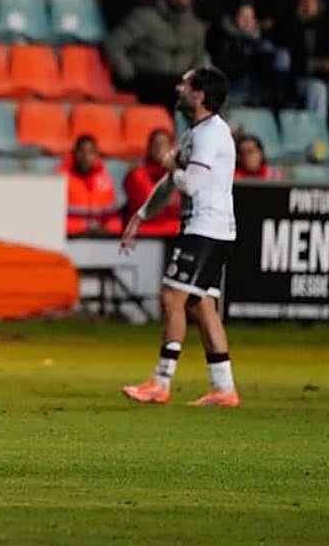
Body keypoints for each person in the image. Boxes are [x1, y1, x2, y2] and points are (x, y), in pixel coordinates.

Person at [120, 66, 240, 408]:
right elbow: (172, 182)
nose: (178, 88)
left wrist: (172, 166)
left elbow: (190, 183)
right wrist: (141, 216)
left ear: (200, 95)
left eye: (185, 85)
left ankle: (160, 381)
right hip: (211, 229)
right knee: (203, 306)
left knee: (173, 296)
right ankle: (224, 388)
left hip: (206, 227)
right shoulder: (196, 132)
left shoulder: (209, 134)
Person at [104, 0, 206, 107]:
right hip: (146, 80)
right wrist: (127, 73)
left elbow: (198, 58)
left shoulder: (196, 26)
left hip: (179, 83)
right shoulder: (144, 18)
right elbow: (114, 44)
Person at [60, 135, 123, 237]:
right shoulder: (61, 178)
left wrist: (108, 229)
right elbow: (54, 219)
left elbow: (113, 216)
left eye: (90, 152)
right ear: (74, 153)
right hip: (70, 238)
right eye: (81, 151)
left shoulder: (105, 179)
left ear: (96, 155)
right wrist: (84, 228)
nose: (85, 156)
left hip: (101, 238)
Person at [122, 128, 181, 237]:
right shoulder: (136, 174)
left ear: (171, 148)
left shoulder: (180, 174)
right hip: (146, 233)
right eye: (155, 144)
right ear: (149, 147)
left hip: (174, 232)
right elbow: (147, 205)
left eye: (163, 144)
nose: (159, 148)